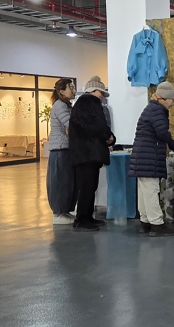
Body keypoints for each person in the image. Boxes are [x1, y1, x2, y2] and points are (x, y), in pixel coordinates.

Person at [129, 82, 174, 237]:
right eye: (172, 99)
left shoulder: (151, 108)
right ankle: (156, 224)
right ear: (164, 98)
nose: (172, 103)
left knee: (144, 192)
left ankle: (145, 222)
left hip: (142, 156)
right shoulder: (157, 110)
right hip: (149, 157)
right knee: (151, 190)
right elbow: (163, 134)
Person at [69, 75, 115, 231]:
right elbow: (95, 125)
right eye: (101, 92)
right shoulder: (88, 103)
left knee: (90, 186)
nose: (102, 96)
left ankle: (86, 217)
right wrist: (108, 136)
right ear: (93, 90)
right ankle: (82, 219)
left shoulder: (84, 103)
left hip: (87, 153)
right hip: (87, 154)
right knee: (87, 187)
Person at [46, 78, 77, 225]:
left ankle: (64, 211)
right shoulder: (59, 106)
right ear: (62, 91)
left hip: (66, 149)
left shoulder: (66, 105)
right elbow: (71, 124)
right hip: (59, 150)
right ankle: (58, 213)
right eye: (71, 87)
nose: (74, 90)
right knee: (59, 182)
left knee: (67, 182)